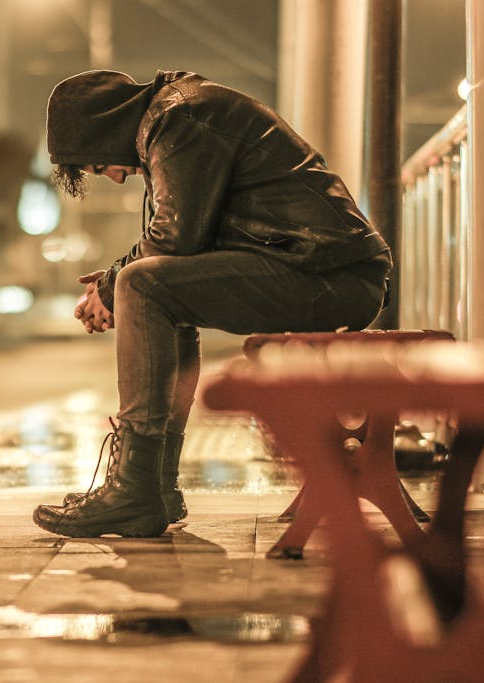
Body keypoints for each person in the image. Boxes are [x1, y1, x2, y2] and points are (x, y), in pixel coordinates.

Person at [32, 69, 391, 538]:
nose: (115, 178)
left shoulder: (179, 118)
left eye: (100, 165)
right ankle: (154, 487)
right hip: (321, 268)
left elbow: (175, 239)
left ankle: (135, 489)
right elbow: (178, 246)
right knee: (152, 288)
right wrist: (114, 283)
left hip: (331, 275)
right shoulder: (175, 116)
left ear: (105, 129)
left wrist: (113, 287)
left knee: (143, 286)